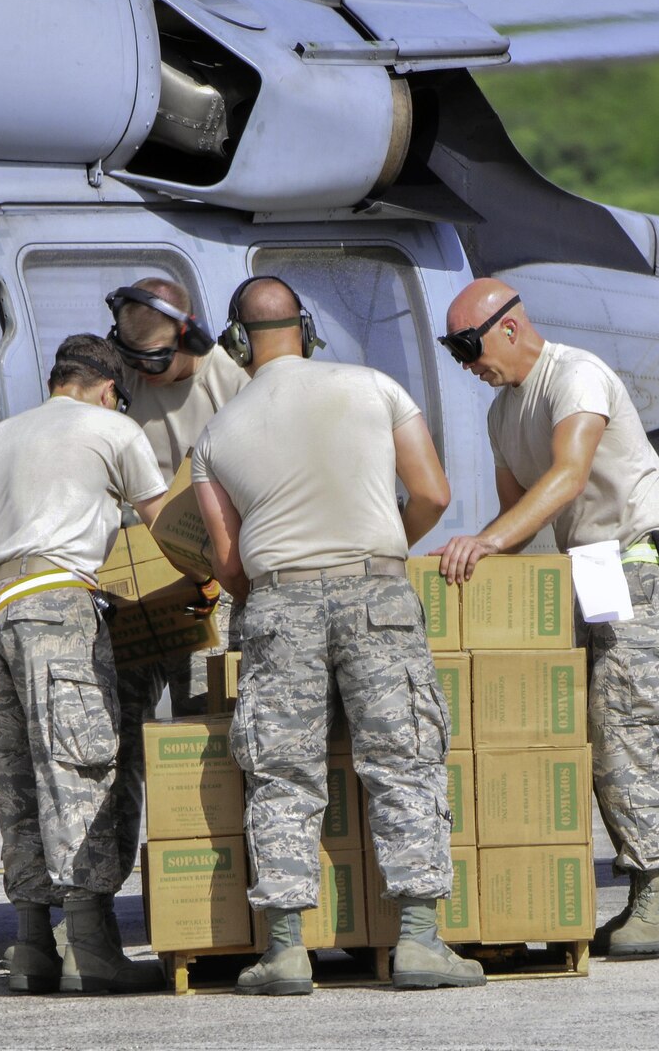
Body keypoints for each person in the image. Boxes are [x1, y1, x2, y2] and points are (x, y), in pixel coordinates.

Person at [191, 276, 483, 994]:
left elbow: (229, 564)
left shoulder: (214, 436)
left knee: (282, 773)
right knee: (404, 761)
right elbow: (434, 493)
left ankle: (286, 951)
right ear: (308, 328)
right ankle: (417, 941)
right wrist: (379, 551)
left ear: (236, 342)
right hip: (375, 589)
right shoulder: (374, 387)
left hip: (279, 602)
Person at [433, 278, 659, 959]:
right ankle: (562, 895)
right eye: (453, 349)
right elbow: (516, 519)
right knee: (567, 727)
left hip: (641, 562)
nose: (467, 363)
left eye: (469, 344)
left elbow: (568, 478)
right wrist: (473, 565)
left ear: (511, 328)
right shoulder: (502, 415)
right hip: (591, 570)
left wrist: (485, 542)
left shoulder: (575, 376)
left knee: (625, 726)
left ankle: (657, 897)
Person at [0, 334, 169, 995]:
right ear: (108, 387)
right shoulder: (113, 427)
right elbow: (169, 528)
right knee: (82, 768)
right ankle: (93, 946)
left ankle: (30, 947)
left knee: (18, 778)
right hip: (54, 608)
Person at [102, 277, 246, 894]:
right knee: (116, 737)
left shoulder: (225, 378)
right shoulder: (126, 385)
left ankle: (221, 891)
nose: (145, 372)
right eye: (134, 359)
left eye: (157, 358)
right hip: (137, 577)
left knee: (208, 729)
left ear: (192, 335)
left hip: (212, 581)